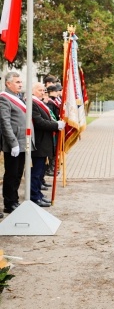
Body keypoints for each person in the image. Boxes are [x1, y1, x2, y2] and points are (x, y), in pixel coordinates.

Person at [31, 83, 65, 206]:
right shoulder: (32, 103)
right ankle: (34, 197)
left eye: (43, 90)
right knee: (36, 172)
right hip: (39, 143)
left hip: (45, 143)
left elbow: (48, 118)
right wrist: (56, 125)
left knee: (40, 172)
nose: (43, 92)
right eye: (40, 90)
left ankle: (38, 194)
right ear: (33, 91)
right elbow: (39, 122)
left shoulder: (40, 103)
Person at [0, 72, 28, 215]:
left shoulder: (19, 98)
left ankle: (15, 200)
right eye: (17, 82)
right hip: (14, 143)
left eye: (20, 82)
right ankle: (9, 203)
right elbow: (5, 122)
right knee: (11, 174)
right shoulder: (4, 98)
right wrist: (13, 143)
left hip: (23, 142)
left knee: (18, 174)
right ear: (8, 83)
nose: (20, 84)